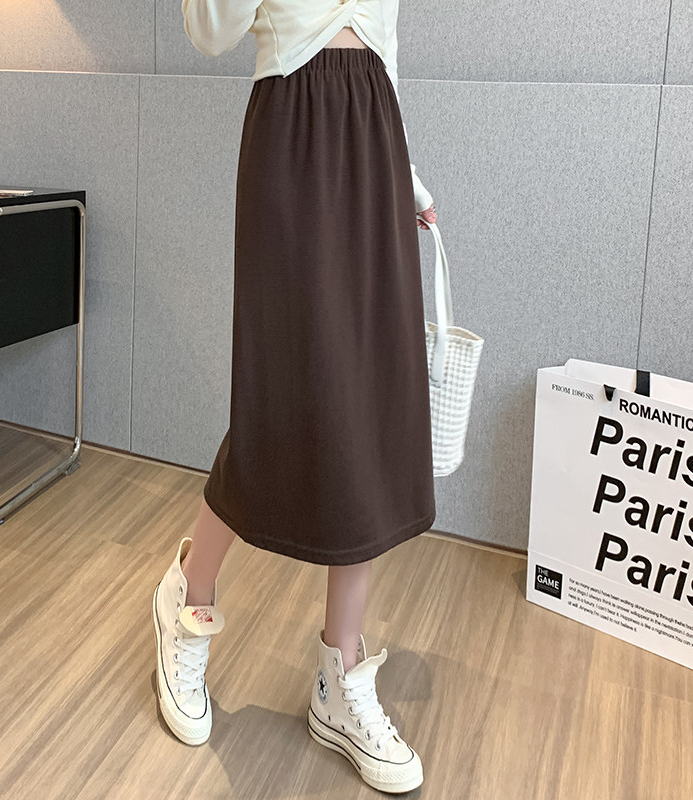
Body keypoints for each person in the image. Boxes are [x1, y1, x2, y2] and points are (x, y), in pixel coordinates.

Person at [154, 2, 438, 794]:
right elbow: (209, 30)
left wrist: (404, 175)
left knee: (368, 403)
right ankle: (187, 599)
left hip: (374, 144)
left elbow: (382, 51)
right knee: (281, 399)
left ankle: (338, 673)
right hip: (292, 135)